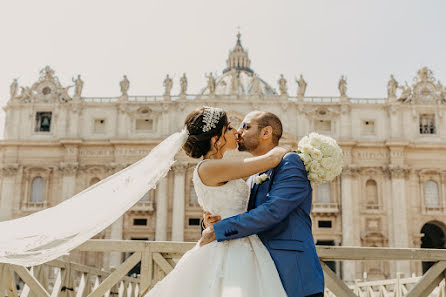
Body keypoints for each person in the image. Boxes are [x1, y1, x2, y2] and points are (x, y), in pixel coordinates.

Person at [145, 106, 290, 297]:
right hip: (229, 247)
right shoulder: (210, 167)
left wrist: (207, 222)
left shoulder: (217, 167)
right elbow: (271, 159)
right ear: (216, 139)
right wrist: (291, 149)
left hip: (236, 241)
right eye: (229, 128)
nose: (237, 131)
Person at [200, 110, 325, 297]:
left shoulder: (290, 163)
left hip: (293, 275)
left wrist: (218, 231)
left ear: (266, 133)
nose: (239, 132)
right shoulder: (253, 174)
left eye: (246, 126)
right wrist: (211, 223)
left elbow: (273, 211)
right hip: (258, 276)